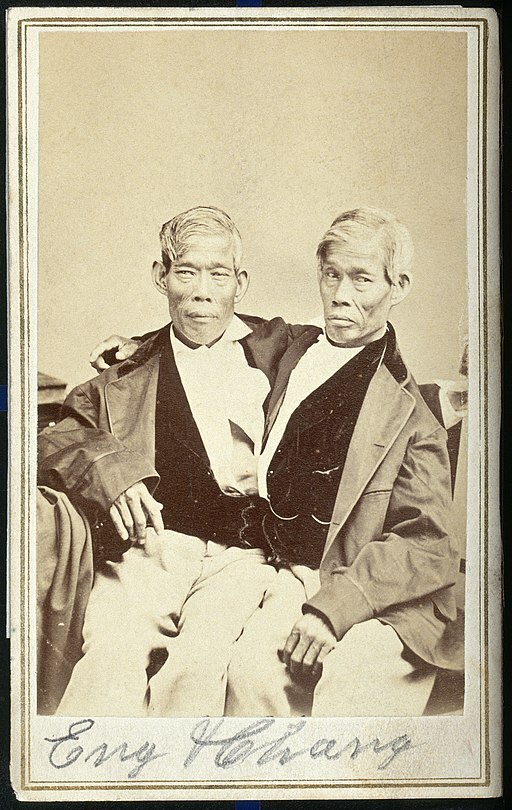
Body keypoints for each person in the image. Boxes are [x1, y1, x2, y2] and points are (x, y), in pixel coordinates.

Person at [91, 207, 461, 717]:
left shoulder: (412, 415)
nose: (341, 295)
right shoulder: (292, 346)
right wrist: (137, 347)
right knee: (214, 669)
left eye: (362, 280)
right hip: (268, 567)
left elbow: (430, 543)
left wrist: (335, 608)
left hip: (339, 574)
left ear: (397, 286)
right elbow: (206, 326)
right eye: (331, 275)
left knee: (256, 675)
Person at [38, 206, 306, 716]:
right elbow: (56, 437)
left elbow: (361, 362)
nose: (202, 291)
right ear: (161, 276)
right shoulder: (129, 369)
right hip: (150, 552)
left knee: (196, 671)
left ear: (240, 283)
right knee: (108, 659)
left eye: (218, 274)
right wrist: (112, 471)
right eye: (186, 272)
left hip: (244, 557)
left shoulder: (288, 349)